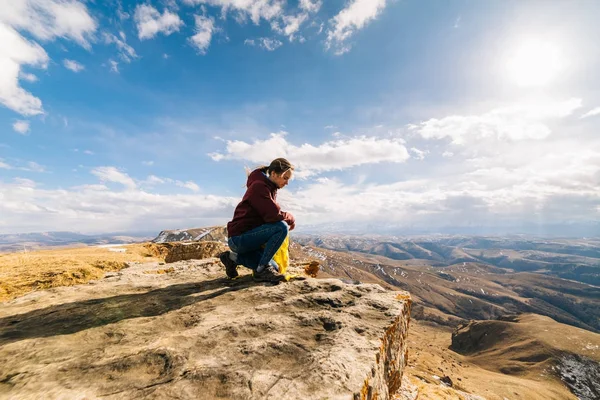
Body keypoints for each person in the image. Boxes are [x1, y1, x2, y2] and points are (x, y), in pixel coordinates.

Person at [219, 158, 296, 283]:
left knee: (275, 267)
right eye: (285, 178)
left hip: (249, 238)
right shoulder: (259, 186)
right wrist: (290, 218)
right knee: (281, 227)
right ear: (274, 174)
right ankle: (262, 270)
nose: (287, 183)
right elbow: (273, 215)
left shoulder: (268, 186)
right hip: (240, 238)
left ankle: (232, 258)